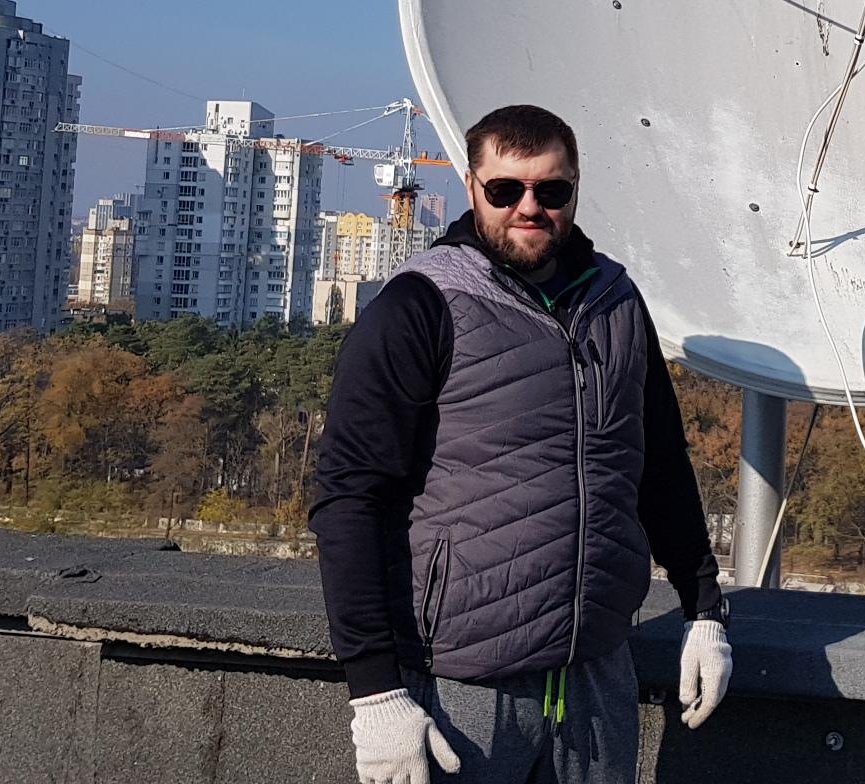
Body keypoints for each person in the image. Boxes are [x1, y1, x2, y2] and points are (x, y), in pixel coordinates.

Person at [312, 104, 732, 784]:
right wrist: (375, 691)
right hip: (460, 686)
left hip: (596, 677)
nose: (529, 207)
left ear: (575, 189)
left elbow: (657, 461)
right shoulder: (420, 304)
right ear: (472, 186)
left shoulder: (616, 301)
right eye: (506, 189)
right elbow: (348, 497)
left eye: (551, 190)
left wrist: (703, 607)